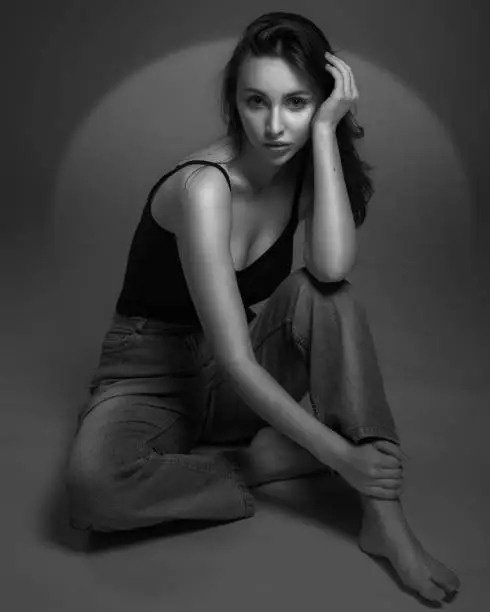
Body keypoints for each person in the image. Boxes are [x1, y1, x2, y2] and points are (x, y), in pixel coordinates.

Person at [64, 11, 460, 604]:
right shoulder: (203, 187)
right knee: (96, 488)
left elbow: (328, 270)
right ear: (235, 104)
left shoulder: (302, 169)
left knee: (331, 296)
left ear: (322, 103)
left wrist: (325, 135)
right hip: (149, 372)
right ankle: (268, 462)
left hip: (231, 379)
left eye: (297, 103)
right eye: (257, 102)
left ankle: (385, 519)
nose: (275, 125)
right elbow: (237, 357)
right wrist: (339, 455)